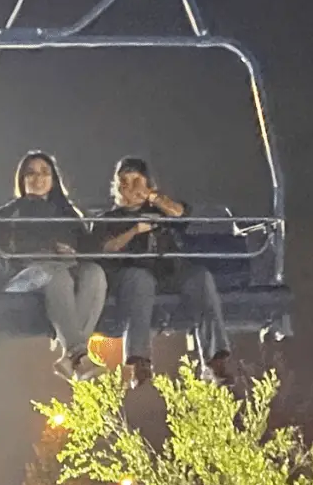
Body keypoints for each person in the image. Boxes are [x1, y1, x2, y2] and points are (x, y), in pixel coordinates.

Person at [90, 156, 234, 388]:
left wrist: (152, 197)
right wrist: (135, 230)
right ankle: (139, 361)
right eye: (123, 181)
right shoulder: (108, 218)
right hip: (131, 272)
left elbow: (180, 214)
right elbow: (105, 248)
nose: (129, 187)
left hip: (168, 269)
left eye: (135, 180)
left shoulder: (161, 210)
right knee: (140, 281)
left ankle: (215, 360)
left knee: (200, 277)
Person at [0, 151, 107, 381]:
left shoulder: (66, 213)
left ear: (54, 179)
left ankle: (72, 356)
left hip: (62, 271)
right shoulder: (9, 214)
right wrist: (50, 249)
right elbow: (7, 250)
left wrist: (75, 252)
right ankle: (79, 352)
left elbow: (85, 246)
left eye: (45, 173)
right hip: (22, 276)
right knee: (58, 274)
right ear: (22, 180)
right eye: (30, 174)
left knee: (95, 273)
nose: (38, 179)